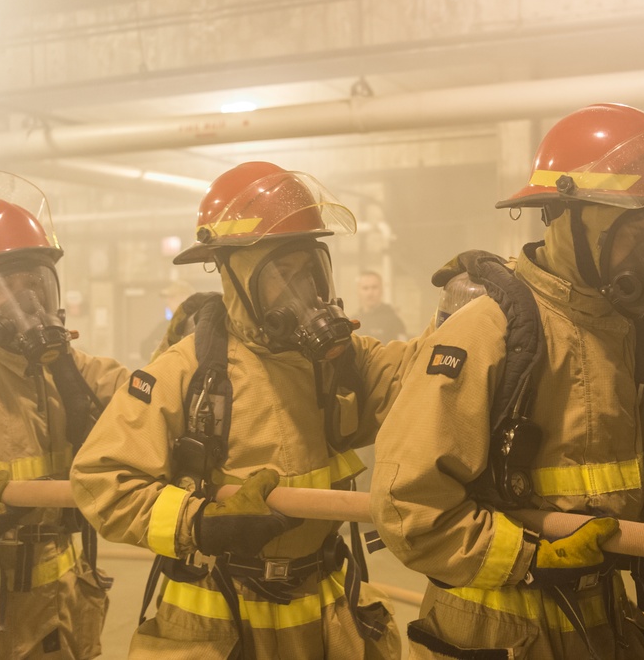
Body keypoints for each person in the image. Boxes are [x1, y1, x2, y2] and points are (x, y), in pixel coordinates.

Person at [370, 103, 644, 659]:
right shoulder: (487, 331)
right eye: (630, 234)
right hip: (494, 628)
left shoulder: (630, 335)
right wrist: (530, 556)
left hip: (600, 622)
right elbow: (409, 506)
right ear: (571, 223)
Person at [70, 161, 425, 659]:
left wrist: (477, 314)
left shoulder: (342, 363)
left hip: (323, 613)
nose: (304, 292)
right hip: (216, 616)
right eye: (282, 273)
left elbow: (425, 373)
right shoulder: (184, 373)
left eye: (311, 271)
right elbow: (102, 480)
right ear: (235, 276)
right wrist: (199, 524)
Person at [0, 169, 129, 658]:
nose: (29, 302)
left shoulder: (70, 371)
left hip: (56, 617)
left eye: (36, 283)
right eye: (7, 287)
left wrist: (207, 353)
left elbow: (157, 399)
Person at [355, 270, 407, 342]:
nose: (370, 293)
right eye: (365, 288)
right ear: (358, 291)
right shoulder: (353, 322)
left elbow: (404, 349)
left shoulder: (394, 321)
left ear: (381, 289)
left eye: (374, 287)